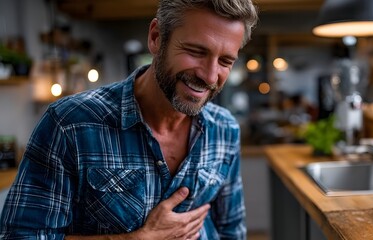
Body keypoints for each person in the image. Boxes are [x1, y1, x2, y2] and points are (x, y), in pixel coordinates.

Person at [0, 0, 258, 239]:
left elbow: (231, 229)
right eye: (196, 51)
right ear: (156, 37)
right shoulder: (70, 124)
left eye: (225, 61)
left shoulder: (225, 128)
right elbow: (22, 236)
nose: (211, 76)